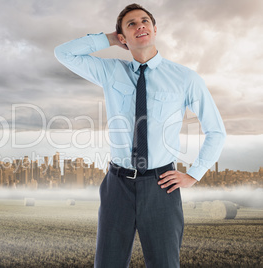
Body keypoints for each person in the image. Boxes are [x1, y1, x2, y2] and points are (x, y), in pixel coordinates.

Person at [54, 3, 226, 268]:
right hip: (117, 185)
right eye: (131, 24)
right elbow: (63, 53)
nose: (140, 26)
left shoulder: (185, 78)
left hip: (161, 186)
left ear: (155, 29)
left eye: (145, 21)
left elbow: (216, 130)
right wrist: (109, 39)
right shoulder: (110, 71)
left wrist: (195, 173)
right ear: (123, 38)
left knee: (164, 264)